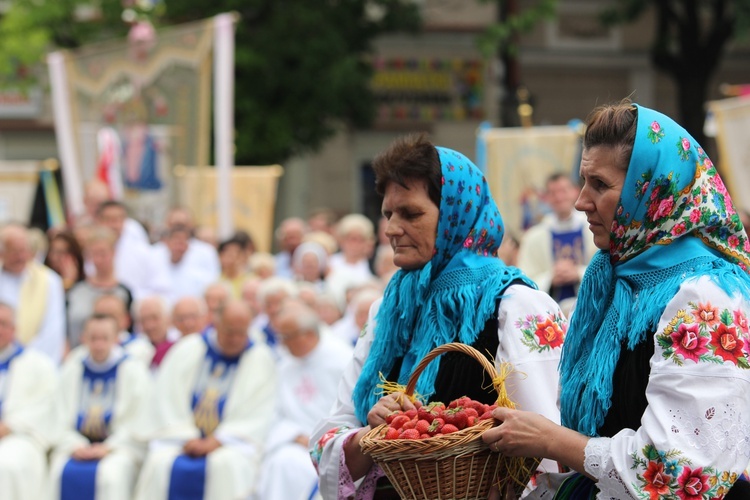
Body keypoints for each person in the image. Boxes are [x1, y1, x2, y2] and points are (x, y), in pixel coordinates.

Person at [481, 101, 750, 499]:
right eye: (583, 181)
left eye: (600, 185)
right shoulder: (612, 278)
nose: (580, 201)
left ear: (654, 192)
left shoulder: (705, 297)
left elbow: (678, 473)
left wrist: (551, 440)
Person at [310, 134, 566, 498]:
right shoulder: (388, 309)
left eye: (411, 213)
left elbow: (545, 450)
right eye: (388, 214)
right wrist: (372, 435)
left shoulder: (516, 306)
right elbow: (330, 435)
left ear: (456, 217)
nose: (392, 229)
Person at [134, 299, 278, 500]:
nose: (236, 339)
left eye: (241, 332)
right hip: (181, 439)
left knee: (227, 466)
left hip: (231, 444)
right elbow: (167, 400)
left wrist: (219, 439)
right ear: (216, 324)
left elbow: (259, 412)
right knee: (160, 464)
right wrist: (187, 435)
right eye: (230, 332)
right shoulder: (187, 349)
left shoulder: (260, 358)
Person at [255, 299, 353, 500]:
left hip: (329, 445)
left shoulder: (342, 360)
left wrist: (320, 440)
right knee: (280, 463)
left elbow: (350, 412)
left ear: (308, 334)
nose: (282, 343)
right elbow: (275, 412)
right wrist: (293, 435)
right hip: (293, 441)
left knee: (289, 465)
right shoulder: (285, 365)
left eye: (287, 336)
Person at [49, 313, 152, 500]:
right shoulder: (73, 367)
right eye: (93, 338)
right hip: (75, 446)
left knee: (111, 476)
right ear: (83, 338)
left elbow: (138, 419)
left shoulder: (132, 370)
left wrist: (109, 447)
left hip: (117, 447)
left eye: (104, 338)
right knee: (57, 470)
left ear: (116, 338)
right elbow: (58, 414)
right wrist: (74, 444)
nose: (98, 345)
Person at [0, 302, 59, 500]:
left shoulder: (38, 364)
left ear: (14, 329)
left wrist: (10, 426)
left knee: (5, 465)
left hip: (20, 437)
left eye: (3, 323)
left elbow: (45, 406)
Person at [516, 173, 597, 307]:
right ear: (546, 198)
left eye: (563, 191)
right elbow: (525, 280)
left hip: (591, 305)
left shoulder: (593, 228)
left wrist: (578, 273)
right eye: (553, 193)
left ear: (575, 192)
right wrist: (550, 278)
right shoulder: (533, 237)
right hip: (551, 311)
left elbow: (608, 268)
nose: (559, 197)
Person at [0, 222, 66, 363]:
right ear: (2, 253)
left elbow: (52, 330)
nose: (21, 257)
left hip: (34, 365)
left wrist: (23, 363)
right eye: (14, 252)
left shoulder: (49, 281)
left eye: (24, 250)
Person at [67, 226, 133, 350]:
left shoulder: (124, 292)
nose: (98, 260)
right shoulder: (76, 291)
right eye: (94, 254)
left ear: (113, 253)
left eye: (103, 253)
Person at [95, 200, 169, 301]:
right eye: (108, 220)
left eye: (117, 220)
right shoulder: (89, 252)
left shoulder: (144, 253)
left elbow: (159, 287)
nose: (113, 225)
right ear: (99, 221)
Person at [132, 296, 174, 370]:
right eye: (143, 320)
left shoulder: (179, 345)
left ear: (168, 318)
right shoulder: (132, 351)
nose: (149, 326)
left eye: (155, 318)